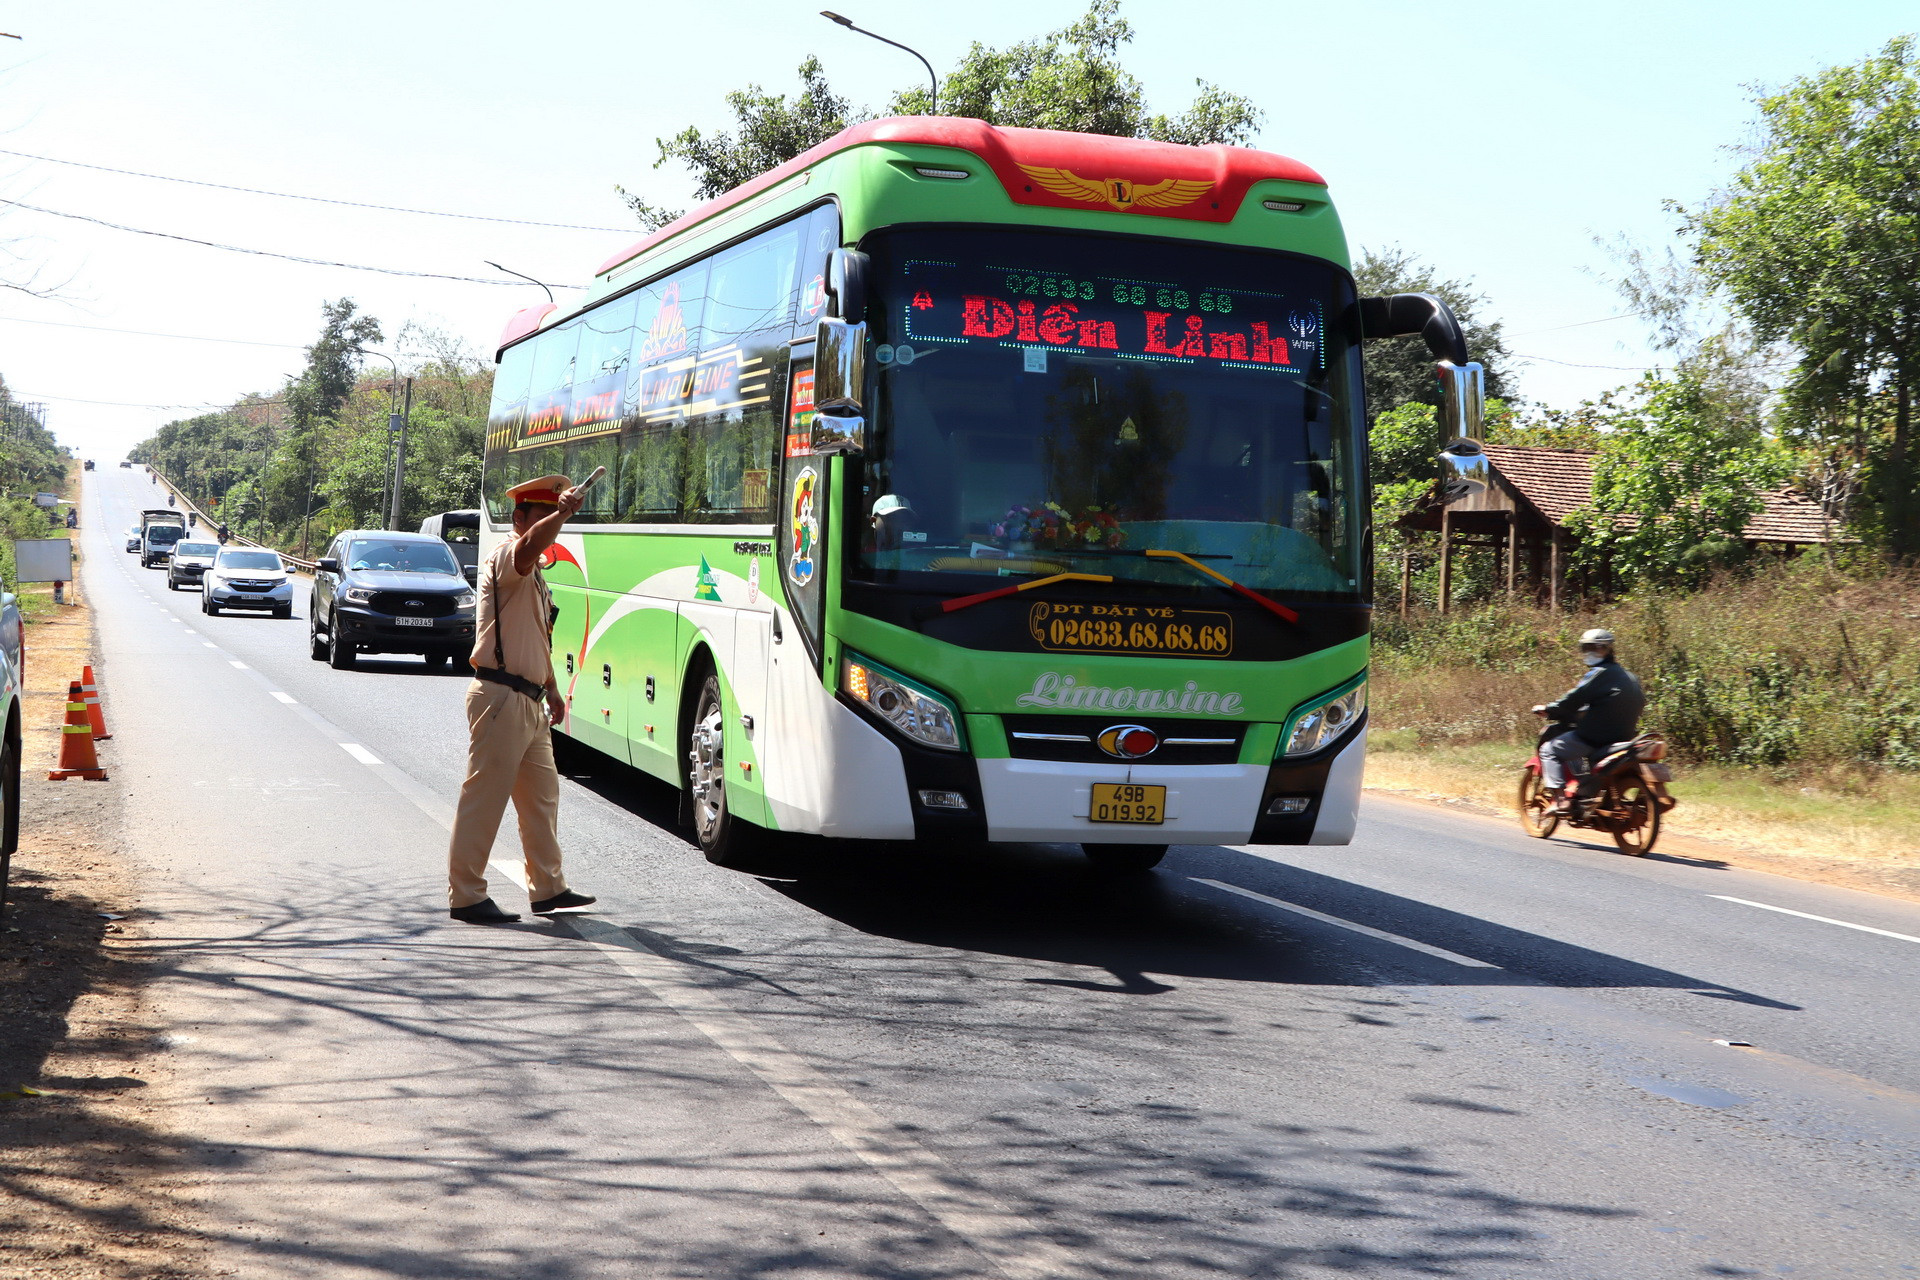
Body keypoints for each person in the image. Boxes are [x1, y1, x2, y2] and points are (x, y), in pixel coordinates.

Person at [445, 474, 597, 924]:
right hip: (500, 697)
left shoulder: (535, 578)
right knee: (484, 798)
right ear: (520, 519)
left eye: (555, 512)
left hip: (528, 701)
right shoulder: (510, 557)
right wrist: (564, 513)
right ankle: (466, 895)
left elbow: (536, 638)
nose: (552, 522)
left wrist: (551, 689)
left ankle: (548, 888)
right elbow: (531, 544)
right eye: (543, 513)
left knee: (542, 799)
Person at [1532, 628, 1645, 814]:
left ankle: (1560, 800)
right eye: (1587, 648)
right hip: (1624, 737)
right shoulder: (1631, 677)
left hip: (1595, 738)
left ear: (1608, 649)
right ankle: (1585, 791)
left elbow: (1575, 698)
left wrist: (1550, 709)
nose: (1592, 652)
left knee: (1549, 750)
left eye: (1597, 648)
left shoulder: (1599, 674)